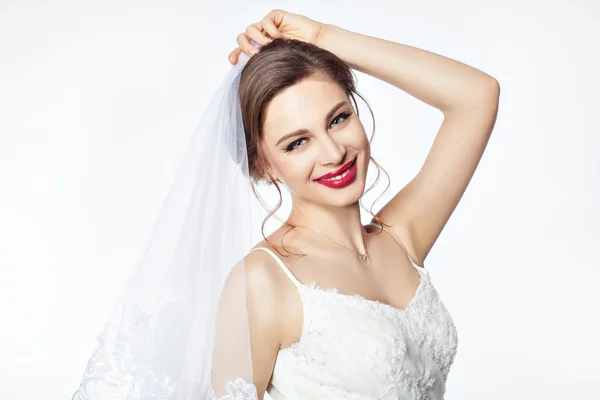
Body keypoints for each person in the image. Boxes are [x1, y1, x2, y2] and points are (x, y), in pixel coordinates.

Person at [72, 9, 499, 400]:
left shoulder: (402, 237)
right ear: (265, 166)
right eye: (297, 143)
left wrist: (322, 36)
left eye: (338, 119)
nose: (333, 153)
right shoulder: (263, 280)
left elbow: (477, 96)